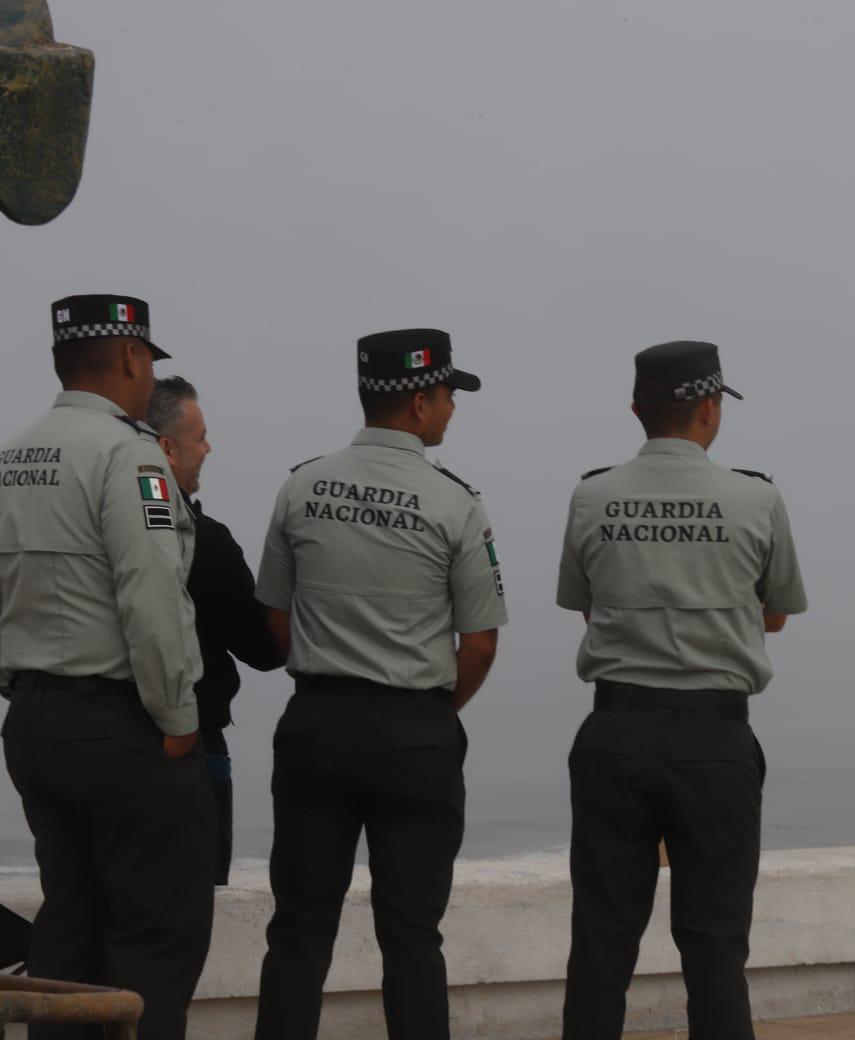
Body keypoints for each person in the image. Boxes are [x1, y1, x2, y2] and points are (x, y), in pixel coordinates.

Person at [252, 328, 506, 1040]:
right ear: (421, 401)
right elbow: (480, 644)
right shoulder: (456, 503)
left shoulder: (301, 485)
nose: (454, 407)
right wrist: (429, 710)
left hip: (317, 726)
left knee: (299, 928)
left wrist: (333, 676)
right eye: (450, 393)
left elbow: (275, 613)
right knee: (412, 934)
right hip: (415, 734)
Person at [556, 340, 808, 1040]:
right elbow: (778, 613)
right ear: (708, 408)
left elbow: (587, 604)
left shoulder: (593, 494)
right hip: (714, 737)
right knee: (715, 945)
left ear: (638, 408)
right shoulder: (756, 497)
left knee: (602, 942)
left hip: (614, 732)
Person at [0, 294, 214, 1040]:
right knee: (158, 939)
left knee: (68, 927)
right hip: (120, 729)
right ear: (130, 356)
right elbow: (151, 596)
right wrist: (179, 718)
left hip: (33, 723)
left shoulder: (12, 454)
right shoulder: (130, 455)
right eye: (149, 358)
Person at [148, 376, 285, 886]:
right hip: (189, 744)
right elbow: (266, 650)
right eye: (200, 435)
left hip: (89, 744)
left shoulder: (88, 532)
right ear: (166, 447)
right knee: (185, 913)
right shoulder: (203, 541)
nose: (209, 448)